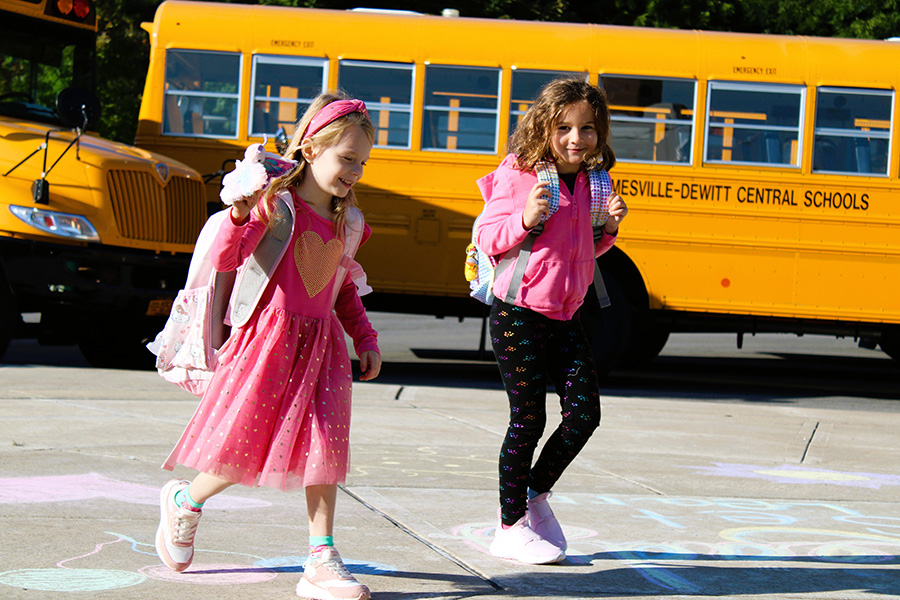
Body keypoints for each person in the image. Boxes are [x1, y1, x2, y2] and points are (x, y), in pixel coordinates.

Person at [155, 92, 381, 600]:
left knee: (325, 449)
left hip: (321, 351)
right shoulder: (274, 205)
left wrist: (363, 336)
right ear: (310, 147)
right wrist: (239, 215)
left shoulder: (349, 223)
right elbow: (229, 259)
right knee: (241, 448)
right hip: (266, 344)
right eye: (347, 159)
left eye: (361, 163)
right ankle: (186, 501)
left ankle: (321, 557)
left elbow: (342, 286)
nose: (354, 172)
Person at [475, 77, 628, 565]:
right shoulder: (520, 174)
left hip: (566, 316)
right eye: (564, 127)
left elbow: (586, 249)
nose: (575, 139)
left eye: (587, 128)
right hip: (518, 313)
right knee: (529, 417)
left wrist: (610, 229)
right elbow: (487, 235)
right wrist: (522, 218)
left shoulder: (592, 182)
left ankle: (535, 496)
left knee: (585, 415)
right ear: (545, 126)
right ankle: (509, 526)